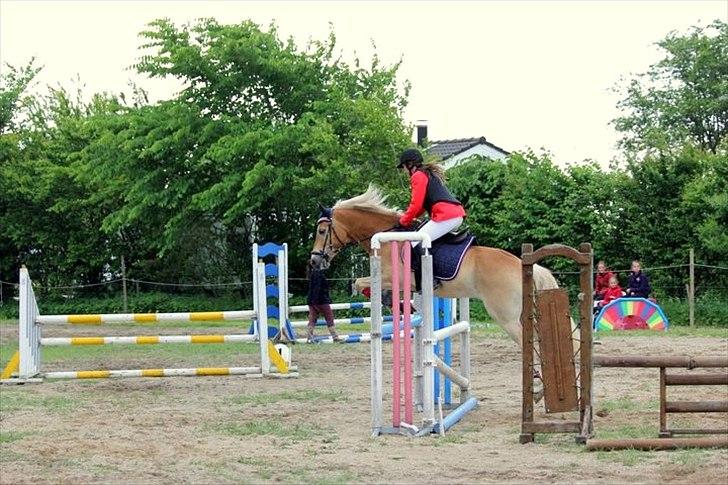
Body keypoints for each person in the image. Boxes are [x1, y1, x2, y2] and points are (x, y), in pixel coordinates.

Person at [397, 148, 466, 290]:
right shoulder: (428, 174)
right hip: (455, 215)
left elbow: (415, 205)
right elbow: (422, 206)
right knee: (428, 239)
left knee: (416, 241)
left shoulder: (418, 176)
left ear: (410, 164)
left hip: (446, 216)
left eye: (403, 167)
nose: (404, 171)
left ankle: (431, 279)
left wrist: (403, 220)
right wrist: (411, 217)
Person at [306, 267, 340, 343]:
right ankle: (335, 337)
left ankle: (309, 337)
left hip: (311, 301)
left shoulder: (312, 273)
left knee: (312, 319)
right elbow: (319, 288)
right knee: (329, 318)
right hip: (321, 300)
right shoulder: (320, 274)